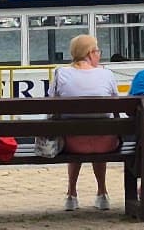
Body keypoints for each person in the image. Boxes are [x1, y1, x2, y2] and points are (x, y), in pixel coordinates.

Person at [53, 33, 121, 211]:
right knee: (100, 129)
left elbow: (52, 106)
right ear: (90, 53)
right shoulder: (106, 74)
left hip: (71, 144)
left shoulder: (61, 74)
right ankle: (102, 193)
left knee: (77, 131)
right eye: (98, 50)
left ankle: (71, 194)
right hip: (105, 143)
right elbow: (116, 106)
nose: (99, 54)